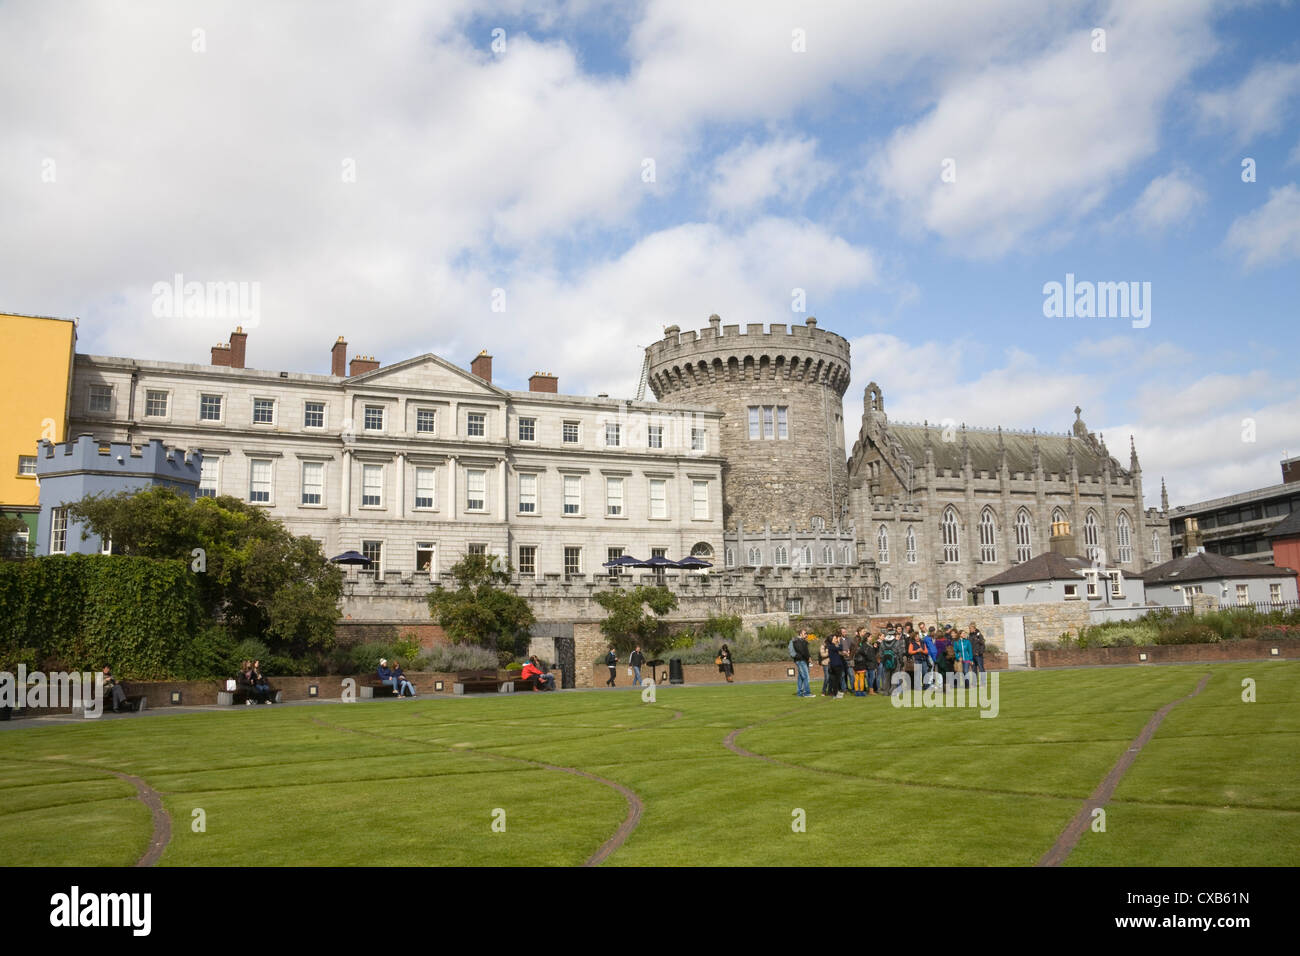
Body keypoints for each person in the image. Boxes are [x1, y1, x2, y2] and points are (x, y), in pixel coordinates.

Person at [852, 629, 874, 696]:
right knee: (861, 678)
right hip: (861, 663)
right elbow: (865, 654)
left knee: (856, 678)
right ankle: (861, 692)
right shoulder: (862, 646)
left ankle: (856, 692)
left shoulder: (854, 647)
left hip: (855, 663)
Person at [792, 628, 812, 698]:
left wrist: (809, 657)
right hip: (801, 660)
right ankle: (807, 693)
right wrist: (808, 657)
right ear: (800, 634)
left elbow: (806, 651)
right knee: (806, 677)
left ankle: (799, 693)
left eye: (806, 633)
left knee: (800, 678)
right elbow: (802, 651)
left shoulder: (803, 641)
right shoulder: (797, 641)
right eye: (805, 633)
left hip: (803, 660)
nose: (806, 635)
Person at [826, 634, 845, 699]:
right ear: (831, 640)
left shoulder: (832, 646)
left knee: (836, 680)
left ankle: (835, 693)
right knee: (837, 680)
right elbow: (840, 648)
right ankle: (835, 694)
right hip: (836, 665)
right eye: (834, 639)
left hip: (835, 665)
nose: (836, 639)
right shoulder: (831, 646)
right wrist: (839, 642)